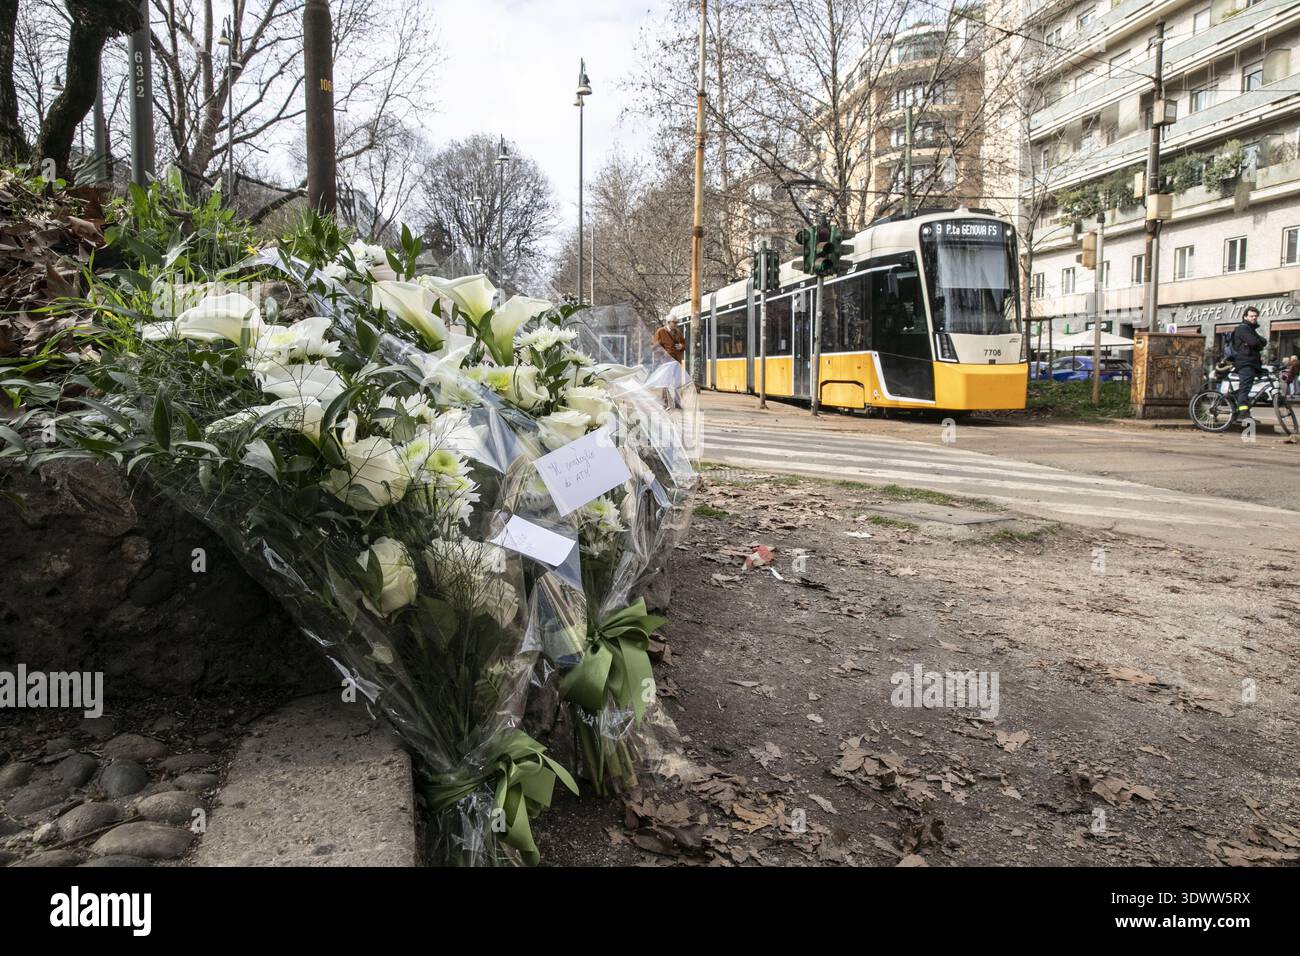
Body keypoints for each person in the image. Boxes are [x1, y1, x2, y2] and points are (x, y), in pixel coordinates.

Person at [1230, 306, 1268, 423]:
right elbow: (1254, 342)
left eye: (1255, 316)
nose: (1254, 318)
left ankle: (1234, 401)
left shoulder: (1251, 329)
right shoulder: (1243, 328)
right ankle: (1243, 414)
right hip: (1245, 363)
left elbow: (1264, 342)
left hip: (1251, 363)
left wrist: (1257, 343)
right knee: (1245, 389)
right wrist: (1257, 343)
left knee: (1245, 388)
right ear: (1245, 317)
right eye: (1251, 316)